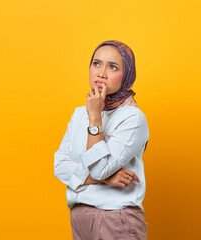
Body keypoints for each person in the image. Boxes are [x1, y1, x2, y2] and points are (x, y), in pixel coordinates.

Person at [54, 40, 149, 240]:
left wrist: (95, 116)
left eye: (112, 67)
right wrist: (106, 179)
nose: (101, 73)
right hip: (80, 217)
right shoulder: (80, 114)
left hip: (116, 218)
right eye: (96, 64)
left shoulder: (132, 117)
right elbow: (59, 166)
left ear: (127, 75)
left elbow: (99, 168)